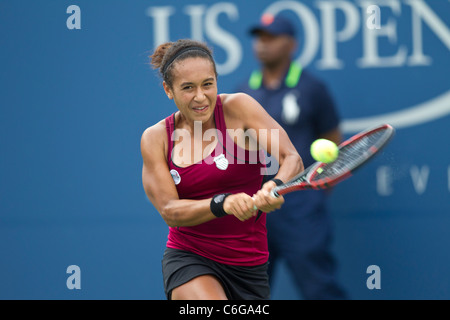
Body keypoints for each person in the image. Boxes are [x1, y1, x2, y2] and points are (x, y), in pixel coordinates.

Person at [141, 39, 304, 300]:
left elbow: (291, 157)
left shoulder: (239, 108)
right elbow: (170, 211)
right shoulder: (156, 138)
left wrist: (275, 185)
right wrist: (222, 204)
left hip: (250, 265)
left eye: (208, 84)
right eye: (187, 88)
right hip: (189, 258)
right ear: (168, 90)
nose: (200, 96)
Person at [237, 14, 348, 300]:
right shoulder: (242, 94)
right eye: (260, 38)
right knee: (247, 294)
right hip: (254, 209)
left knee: (319, 288)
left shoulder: (313, 88)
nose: (263, 44)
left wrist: (316, 191)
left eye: (271, 38)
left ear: (292, 45)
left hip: (301, 207)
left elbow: (332, 135)